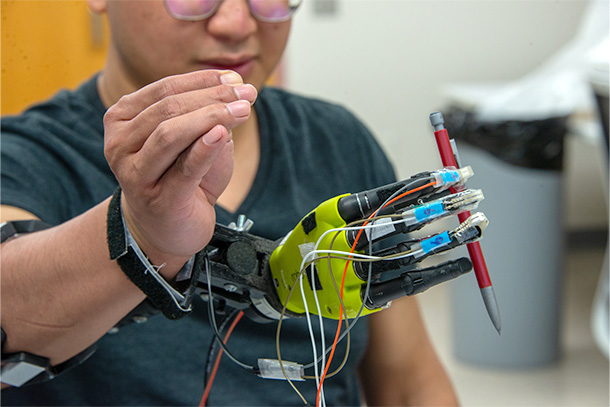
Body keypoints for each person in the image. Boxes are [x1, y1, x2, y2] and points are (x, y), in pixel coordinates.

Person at [0, 0, 460, 405]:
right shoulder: (23, 157)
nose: (237, 23)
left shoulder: (338, 140)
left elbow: (409, 383)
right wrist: (140, 234)